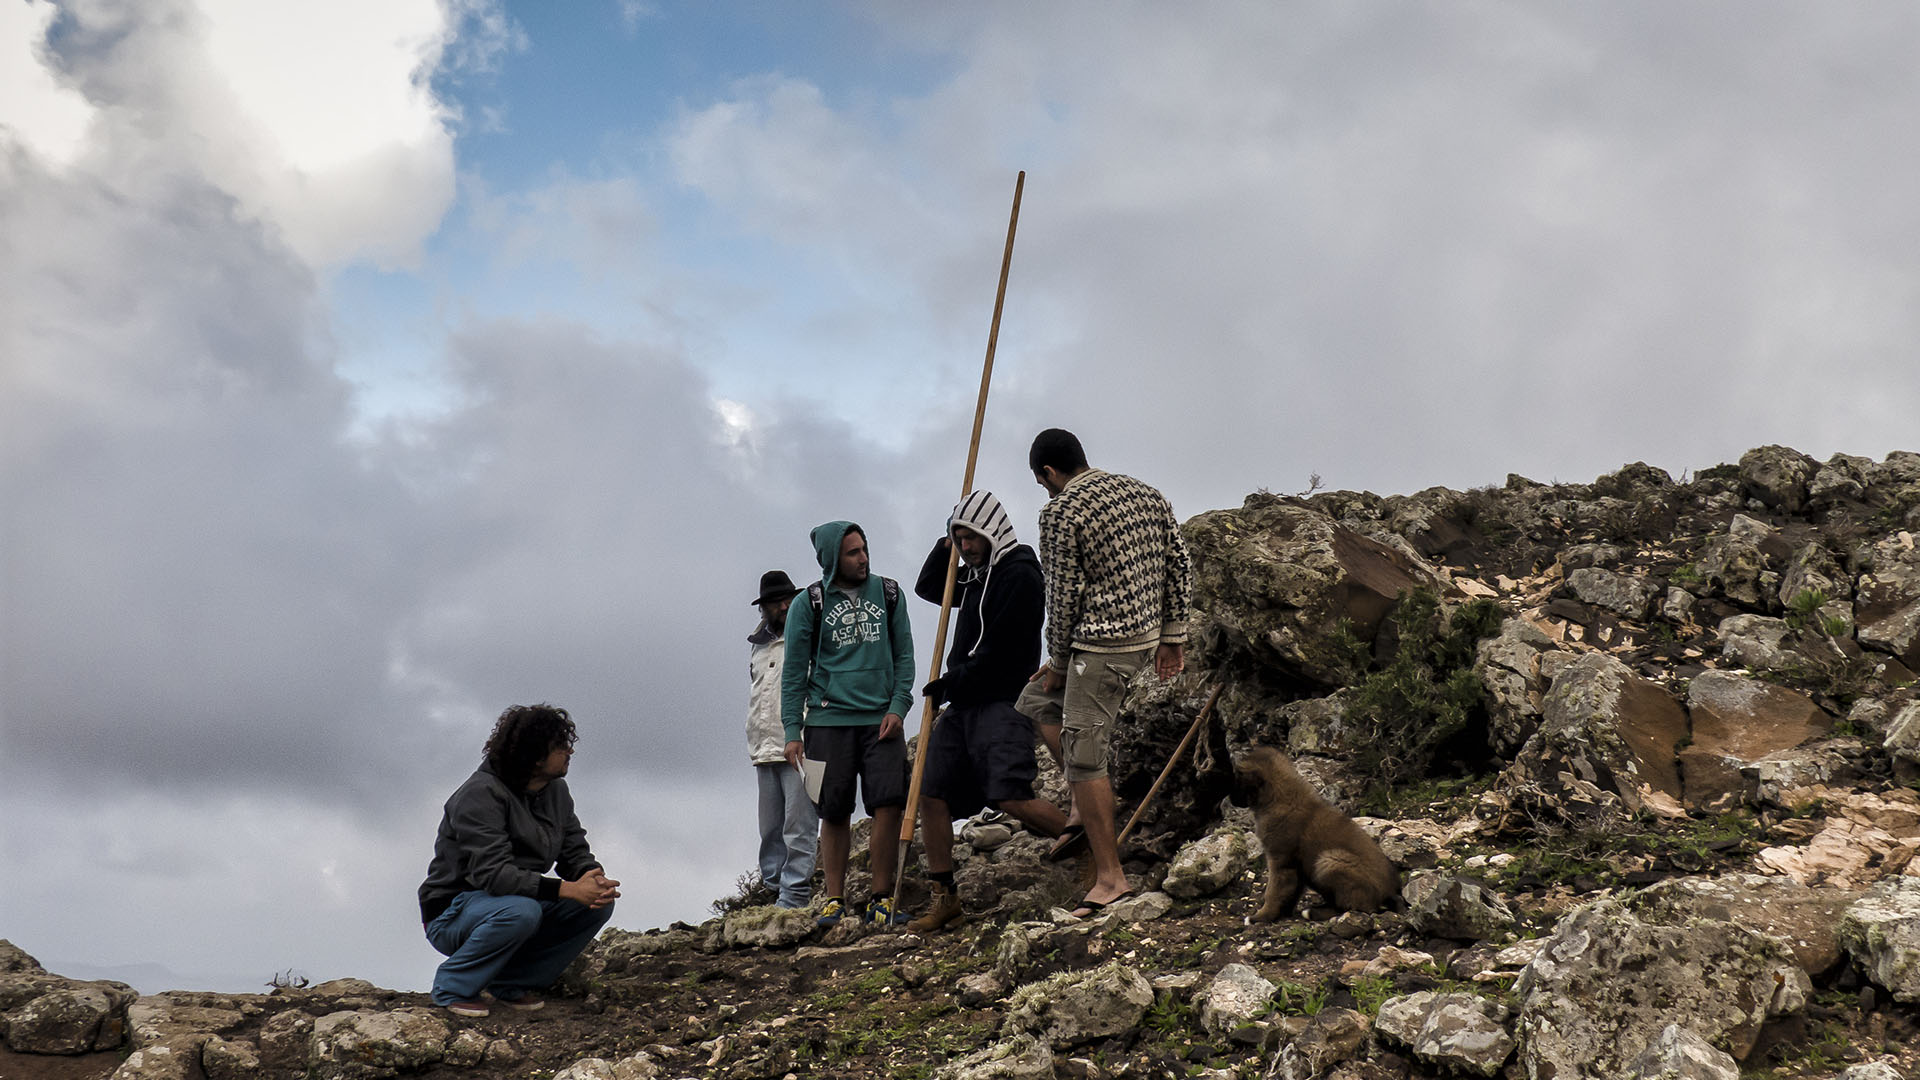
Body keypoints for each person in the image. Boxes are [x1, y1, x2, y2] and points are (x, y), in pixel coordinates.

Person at [1015, 428, 1194, 918]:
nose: (1044, 490)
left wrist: (1055, 662)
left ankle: (1111, 878)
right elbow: (1179, 565)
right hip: (1141, 640)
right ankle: (1079, 805)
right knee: (1035, 704)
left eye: (1041, 481)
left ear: (1048, 473)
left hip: (1099, 647)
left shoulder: (1061, 511)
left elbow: (1064, 593)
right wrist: (1172, 636)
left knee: (1086, 757)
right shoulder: (1145, 492)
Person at [908, 491, 1069, 932]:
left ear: (992, 530)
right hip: (963, 702)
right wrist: (946, 539)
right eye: (960, 540)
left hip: (1001, 698)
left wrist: (949, 684)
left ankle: (1093, 845)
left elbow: (1001, 654)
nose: (967, 547)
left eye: (972, 537)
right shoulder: (976, 575)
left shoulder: (1018, 575)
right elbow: (930, 588)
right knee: (932, 791)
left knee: (1010, 794)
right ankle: (945, 898)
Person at [419, 704, 620, 1017]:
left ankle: (510, 983)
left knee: (595, 904)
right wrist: (567, 889)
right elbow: (493, 875)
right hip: (454, 911)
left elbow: (573, 850)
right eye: (559, 747)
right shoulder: (479, 795)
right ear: (534, 755)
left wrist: (592, 877)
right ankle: (452, 987)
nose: (569, 752)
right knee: (521, 911)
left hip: (515, 900)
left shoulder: (556, 792)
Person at [780, 521, 916, 926]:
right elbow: (793, 672)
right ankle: (834, 900)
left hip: (881, 721)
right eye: (853, 552)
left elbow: (904, 656)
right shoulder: (809, 603)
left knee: (888, 805)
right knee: (833, 812)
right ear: (831, 558)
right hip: (826, 722)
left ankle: (881, 898)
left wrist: (898, 705)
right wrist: (792, 731)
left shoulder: (890, 593)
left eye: (864, 549)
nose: (863, 558)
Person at [747, 569, 818, 908]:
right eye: (777, 602)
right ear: (765, 607)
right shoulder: (757, 648)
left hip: (800, 742)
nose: (785, 606)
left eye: (789, 599)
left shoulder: (809, 638)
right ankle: (773, 888)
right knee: (770, 829)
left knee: (799, 825)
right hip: (763, 747)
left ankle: (795, 895)